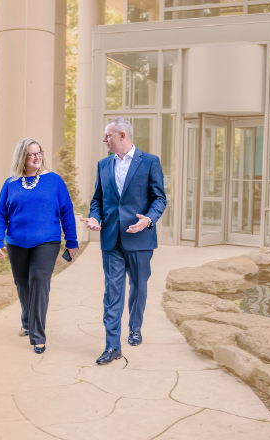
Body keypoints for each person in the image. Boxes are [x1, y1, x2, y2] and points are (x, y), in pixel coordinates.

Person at [81, 118, 167, 365]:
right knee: (113, 291)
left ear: (121, 135)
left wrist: (148, 220)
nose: (104, 140)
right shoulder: (103, 165)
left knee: (138, 286)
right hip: (111, 239)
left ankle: (135, 327)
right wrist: (95, 217)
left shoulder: (150, 162)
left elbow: (159, 199)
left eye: (107, 135)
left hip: (140, 237)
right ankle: (112, 346)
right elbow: (97, 199)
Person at [0, 138, 79, 354]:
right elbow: (0, 213)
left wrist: (72, 241)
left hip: (47, 240)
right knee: (22, 284)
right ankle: (27, 319)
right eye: (31, 154)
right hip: (17, 242)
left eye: (39, 152)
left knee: (39, 282)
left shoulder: (54, 181)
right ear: (22, 157)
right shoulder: (11, 183)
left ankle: (38, 335)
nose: (37, 156)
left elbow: (66, 211)